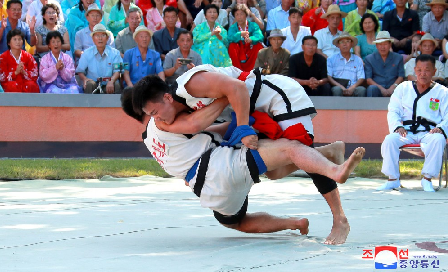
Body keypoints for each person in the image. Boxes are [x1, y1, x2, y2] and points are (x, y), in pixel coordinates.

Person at [126, 66, 366, 244]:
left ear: (166, 98)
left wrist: (243, 129)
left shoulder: (189, 85)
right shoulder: (172, 116)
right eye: (151, 116)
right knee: (274, 171)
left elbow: (237, 88)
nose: (157, 119)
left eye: (156, 113)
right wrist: (237, 126)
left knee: (295, 148)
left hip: (276, 97)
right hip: (254, 110)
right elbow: (195, 125)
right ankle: (328, 154)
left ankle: (339, 210)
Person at [378, 54, 448, 192]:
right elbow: (393, 110)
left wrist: (441, 128)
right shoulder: (404, 88)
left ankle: (427, 179)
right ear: (414, 70)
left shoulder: (442, 92)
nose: (423, 73)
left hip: (430, 132)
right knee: (390, 140)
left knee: (439, 139)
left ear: (434, 71)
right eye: (419, 70)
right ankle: (393, 179)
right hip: (407, 131)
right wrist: (397, 126)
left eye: (427, 70)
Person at [76, 24, 123, 94]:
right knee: (89, 84)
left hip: (108, 82)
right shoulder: (86, 53)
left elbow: (118, 71)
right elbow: (80, 71)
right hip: (93, 83)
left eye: (103, 35)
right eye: (97, 35)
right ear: (93, 39)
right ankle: (89, 105)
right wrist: (85, 79)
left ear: (107, 38)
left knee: (115, 85)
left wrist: (112, 81)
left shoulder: (115, 53)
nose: (100, 38)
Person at [364, 31, 405, 97]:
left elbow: (401, 76)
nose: (382, 47)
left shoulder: (398, 57)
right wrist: (381, 88)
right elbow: (368, 79)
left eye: (385, 44)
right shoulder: (369, 59)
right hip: (377, 87)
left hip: (393, 86)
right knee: (372, 88)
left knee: (402, 89)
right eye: (380, 44)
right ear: (376, 45)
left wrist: (393, 87)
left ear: (390, 45)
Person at [327, 32, 366, 97]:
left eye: (348, 41)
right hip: (338, 86)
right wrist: (342, 87)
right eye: (342, 42)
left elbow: (361, 78)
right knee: (337, 90)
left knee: (361, 90)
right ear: (338, 45)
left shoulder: (358, 60)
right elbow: (329, 77)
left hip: (353, 87)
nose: (345, 44)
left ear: (351, 44)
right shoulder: (331, 59)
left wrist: (352, 88)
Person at [227, 4, 264, 72]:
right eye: (237, 14)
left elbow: (260, 36)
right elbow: (230, 38)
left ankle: (255, 70)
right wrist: (240, 34)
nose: (239, 17)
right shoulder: (233, 27)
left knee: (258, 46)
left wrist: (251, 39)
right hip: (239, 49)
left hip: (250, 48)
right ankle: (237, 71)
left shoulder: (253, 25)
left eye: (241, 14)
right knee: (232, 46)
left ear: (246, 15)